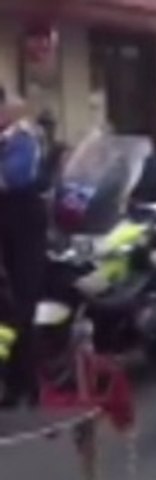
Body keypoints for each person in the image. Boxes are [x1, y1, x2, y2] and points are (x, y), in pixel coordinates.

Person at [0, 89, 48, 407]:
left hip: (24, 222)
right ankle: (13, 379)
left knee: (24, 300)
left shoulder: (24, 139)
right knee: (6, 306)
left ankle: (29, 382)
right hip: (4, 222)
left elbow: (13, 177)